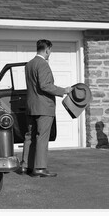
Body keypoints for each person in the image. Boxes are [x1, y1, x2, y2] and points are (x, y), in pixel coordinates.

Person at [18, 39, 71, 177]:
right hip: (44, 107)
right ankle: (40, 168)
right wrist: (63, 90)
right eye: (50, 51)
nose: (50, 53)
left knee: (29, 137)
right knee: (42, 137)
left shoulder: (29, 64)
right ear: (47, 49)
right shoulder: (43, 64)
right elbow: (45, 85)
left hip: (31, 106)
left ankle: (25, 166)